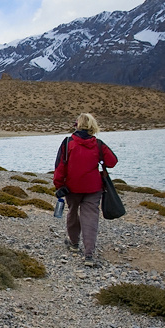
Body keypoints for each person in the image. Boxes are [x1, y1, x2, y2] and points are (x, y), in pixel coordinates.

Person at [53, 113, 118, 267]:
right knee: (90, 218)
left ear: (77, 125)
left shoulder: (68, 143)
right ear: (93, 126)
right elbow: (112, 162)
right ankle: (89, 254)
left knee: (73, 212)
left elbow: (60, 166)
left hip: (72, 187)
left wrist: (58, 185)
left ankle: (74, 244)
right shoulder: (98, 144)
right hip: (93, 187)